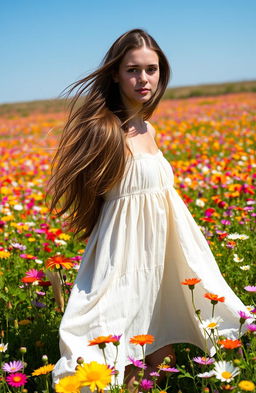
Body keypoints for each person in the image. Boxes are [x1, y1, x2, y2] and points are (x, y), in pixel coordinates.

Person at [46, 29, 250, 391]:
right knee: (121, 352)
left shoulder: (147, 127)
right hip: (124, 258)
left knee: (162, 351)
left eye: (151, 70)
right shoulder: (103, 129)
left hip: (163, 253)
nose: (144, 79)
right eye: (132, 70)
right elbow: (95, 195)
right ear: (115, 73)